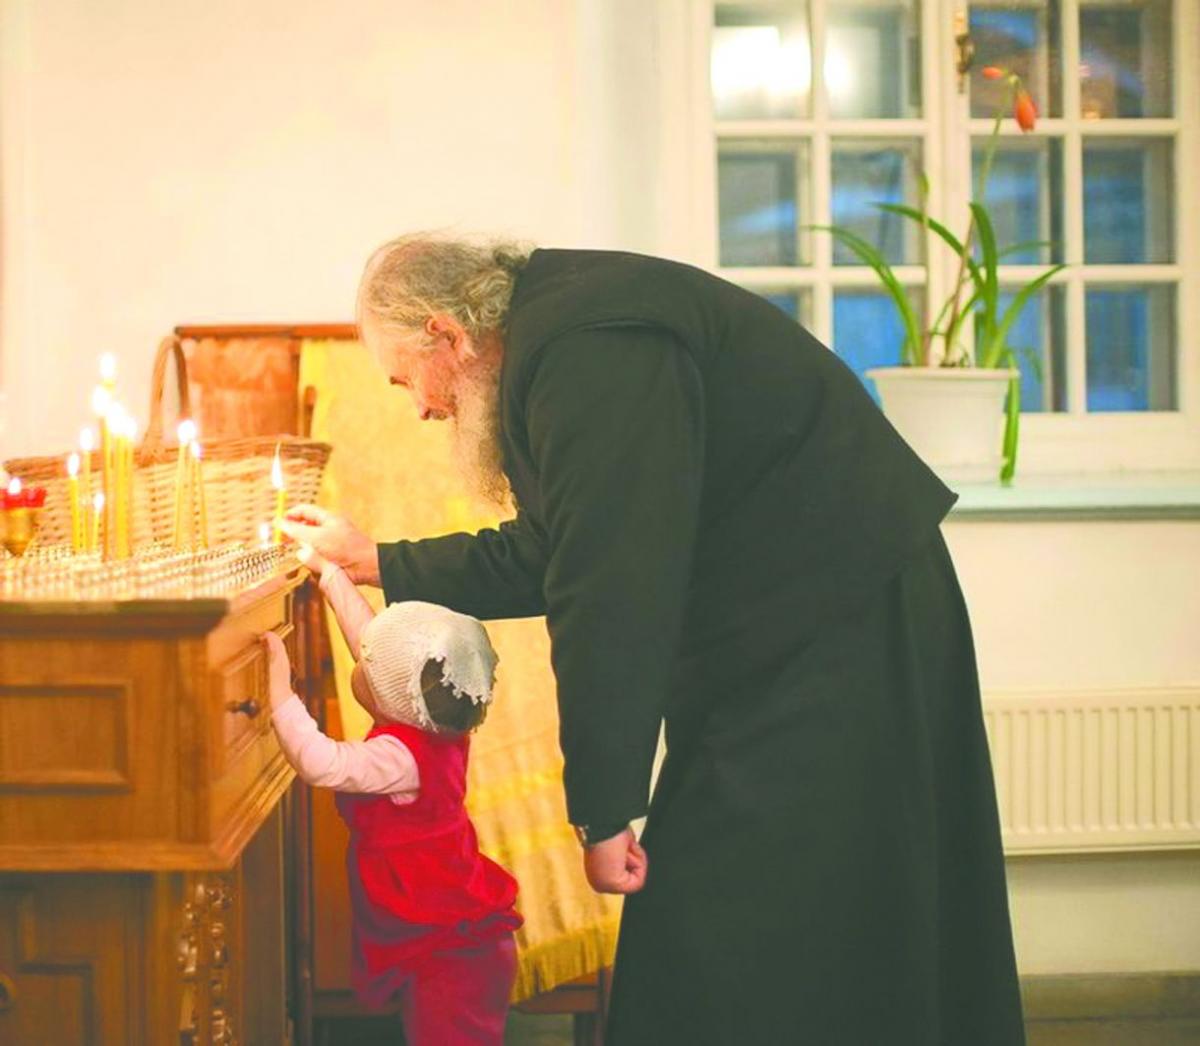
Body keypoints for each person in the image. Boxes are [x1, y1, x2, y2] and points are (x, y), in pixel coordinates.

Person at [282, 236, 1026, 1044]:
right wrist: (379, 561)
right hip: (799, 623)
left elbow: (606, 587)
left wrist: (604, 813)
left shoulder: (587, 348)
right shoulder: (558, 341)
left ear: (446, 335)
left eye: (406, 382)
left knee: (736, 913)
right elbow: (556, 549)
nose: (422, 410)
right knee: (768, 914)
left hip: (846, 618)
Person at [261, 544, 522, 1045]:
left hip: (451, 955)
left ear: (395, 696)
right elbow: (374, 645)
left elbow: (321, 762)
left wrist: (279, 696)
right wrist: (331, 575)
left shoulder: (400, 757)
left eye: (370, 670)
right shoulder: (433, 719)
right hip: (455, 938)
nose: (363, 662)